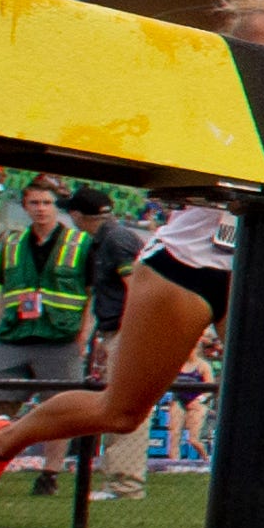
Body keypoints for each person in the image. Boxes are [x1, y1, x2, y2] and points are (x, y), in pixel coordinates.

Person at [0, 0, 264, 517]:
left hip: (260, 265)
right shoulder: (201, 103)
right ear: (238, 53)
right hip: (187, 268)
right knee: (121, 412)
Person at [0, 175, 94, 497]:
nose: (41, 209)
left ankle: (49, 473)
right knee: (0, 407)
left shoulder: (80, 243)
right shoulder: (11, 244)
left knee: (58, 411)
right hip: (13, 336)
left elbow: (89, 293)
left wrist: (83, 335)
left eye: (47, 203)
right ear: (25, 206)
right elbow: (3, 292)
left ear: (58, 208)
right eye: (35, 203)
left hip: (60, 337)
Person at [71, 184, 155, 499]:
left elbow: (136, 287)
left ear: (77, 215)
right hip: (118, 329)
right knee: (119, 402)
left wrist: (130, 335)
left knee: (125, 405)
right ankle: (120, 481)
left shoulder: (115, 240)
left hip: (127, 329)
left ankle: (125, 484)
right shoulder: (106, 239)